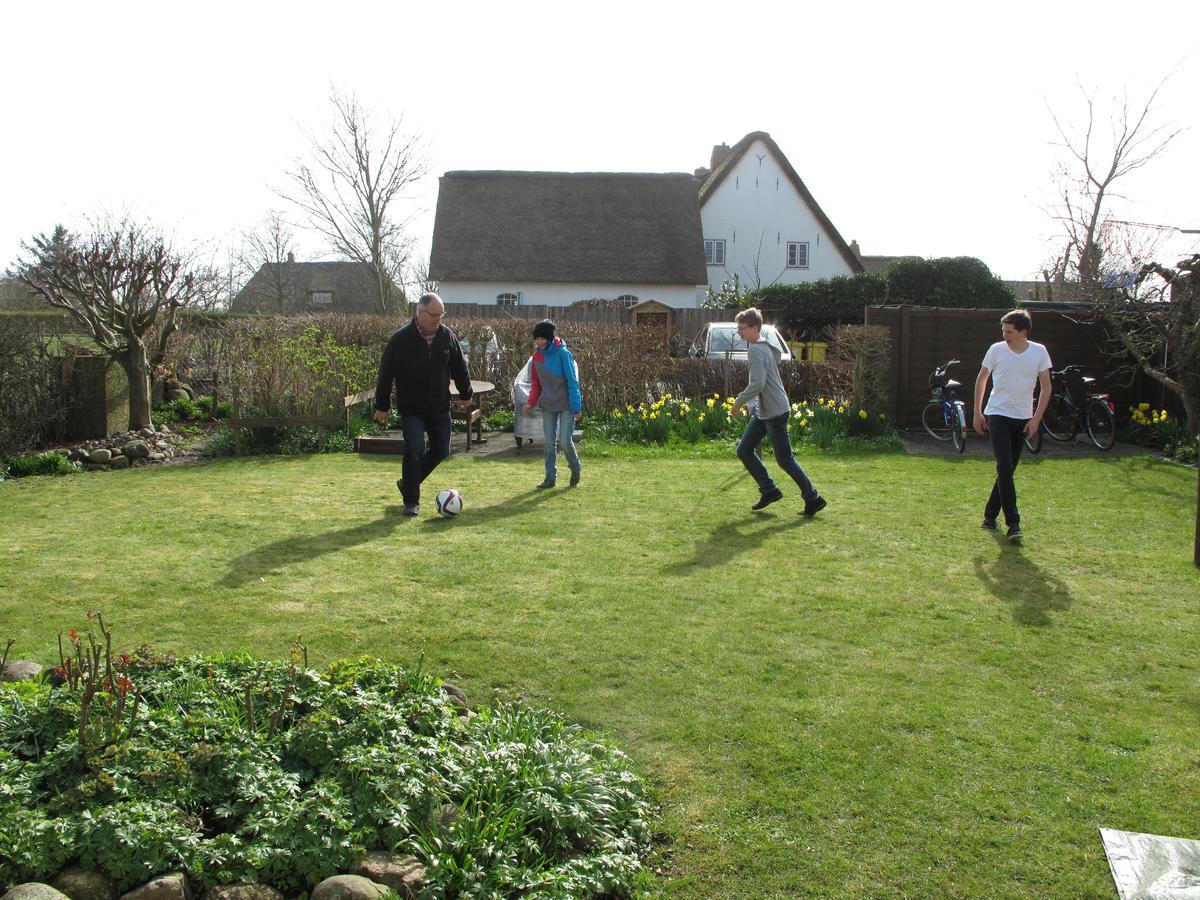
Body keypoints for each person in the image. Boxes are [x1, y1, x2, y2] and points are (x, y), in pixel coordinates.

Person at [373, 292, 473, 516]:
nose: (439, 319)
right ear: (419, 313)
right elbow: (385, 374)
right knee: (414, 451)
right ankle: (411, 501)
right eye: (434, 314)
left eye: (442, 314)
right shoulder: (401, 339)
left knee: (441, 451)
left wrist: (466, 394)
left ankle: (408, 483)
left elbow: (460, 366)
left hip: (439, 406)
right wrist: (382, 406)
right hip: (412, 408)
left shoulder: (446, 336)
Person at [730, 307, 826, 516]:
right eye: (738, 329)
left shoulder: (756, 349)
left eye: (742, 328)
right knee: (744, 450)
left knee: (784, 459)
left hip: (774, 412)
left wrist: (738, 402)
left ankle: (813, 498)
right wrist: (753, 404)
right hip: (766, 411)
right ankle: (770, 490)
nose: (739, 332)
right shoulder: (763, 346)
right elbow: (762, 383)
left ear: (755, 328)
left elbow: (757, 383)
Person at [972, 309, 1052, 545]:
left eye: (1009, 331)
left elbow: (1046, 387)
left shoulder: (1039, 352)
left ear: (1023, 332)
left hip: (1023, 417)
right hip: (997, 414)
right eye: (1003, 330)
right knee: (1004, 466)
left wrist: (1036, 419)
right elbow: (982, 378)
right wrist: (978, 412)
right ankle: (1013, 524)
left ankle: (989, 516)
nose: (1004, 335)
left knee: (1007, 471)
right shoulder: (996, 350)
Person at [523, 319, 582, 488]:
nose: (539, 342)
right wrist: (531, 402)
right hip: (548, 404)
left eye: (542, 338)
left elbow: (572, 381)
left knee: (564, 440)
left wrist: (576, 407)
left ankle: (575, 467)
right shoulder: (537, 357)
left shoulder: (564, 354)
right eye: (537, 339)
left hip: (566, 405)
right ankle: (550, 478)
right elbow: (536, 384)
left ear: (549, 338)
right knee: (549, 443)